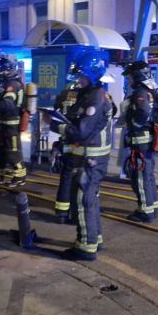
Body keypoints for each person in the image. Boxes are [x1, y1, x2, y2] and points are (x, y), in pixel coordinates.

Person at [50, 51, 113, 261]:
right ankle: (95, 238)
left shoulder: (95, 97)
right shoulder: (88, 94)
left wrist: (56, 126)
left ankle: (86, 247)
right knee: (89, 199)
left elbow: (80, 131)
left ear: (93, 74)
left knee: (83, 200)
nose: (79, 80)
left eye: (82, 76)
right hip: (88, 157)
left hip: (91, 159)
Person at [122, 61, 158, 223]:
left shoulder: (141, 92)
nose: (129, 79)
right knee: (148, 176)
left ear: (137, 76)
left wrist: (135, 126)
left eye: (130, 76)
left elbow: (143, 112)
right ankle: (152, 206)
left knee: (141, 177)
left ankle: (145, 211)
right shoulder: (150, 90)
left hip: (140, 141)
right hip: (147, 141)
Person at [0, 57, 27, 187]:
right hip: (3, 124)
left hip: (11, 125)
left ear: (8, 68)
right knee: (0, 151)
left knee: (12, 151)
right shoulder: (6, 84)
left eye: (1, 69)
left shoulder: (12, 85)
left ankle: (20, 177)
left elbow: (7, 105)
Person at [52, 79, 81, 223]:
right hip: (79, 143)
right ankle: (76, 212)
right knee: (81, 179)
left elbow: (56, 111)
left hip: (65, 142)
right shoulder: (86, 95)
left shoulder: (66, 90)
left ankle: (62, 212)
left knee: (66, 176)